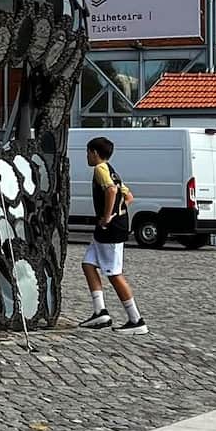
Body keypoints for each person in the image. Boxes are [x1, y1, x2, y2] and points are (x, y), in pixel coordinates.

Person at [78, 136, 148, 335]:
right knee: (88, 264)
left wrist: (108, 216)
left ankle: (136, 320)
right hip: (109, 228)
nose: (87, 156)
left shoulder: (100, 169)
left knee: (114, 274)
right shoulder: (112, 170)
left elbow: (110, 190)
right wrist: (118, 210)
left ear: (94, 152)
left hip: (110, 229)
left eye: (87, 152)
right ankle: (100, 311)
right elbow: (128, 196)